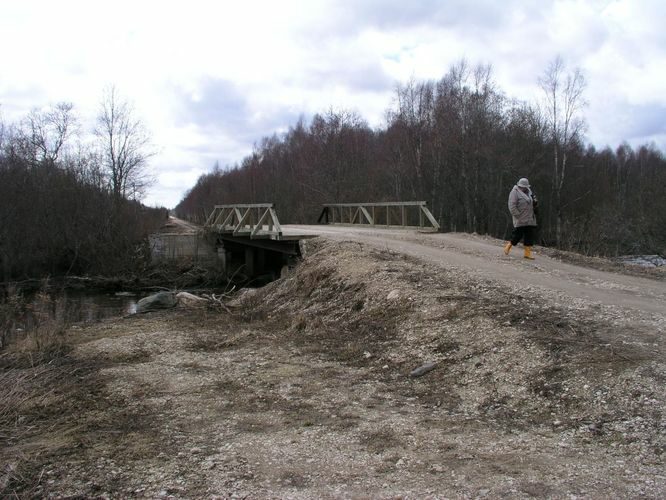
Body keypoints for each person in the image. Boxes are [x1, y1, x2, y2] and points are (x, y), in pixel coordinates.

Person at [504, 177, 538, 260]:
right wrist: (518, 215)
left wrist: (535, 202)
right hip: (520, 218)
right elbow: (512, 206)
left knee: (529, 236)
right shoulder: (514, 192)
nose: (524, 188)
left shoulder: (529, 192)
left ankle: (527, 253)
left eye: (525, 187)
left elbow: (532, 203)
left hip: (530, 218)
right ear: (519, 185)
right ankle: (508, 246)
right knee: (517, 235)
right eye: (522, 186)